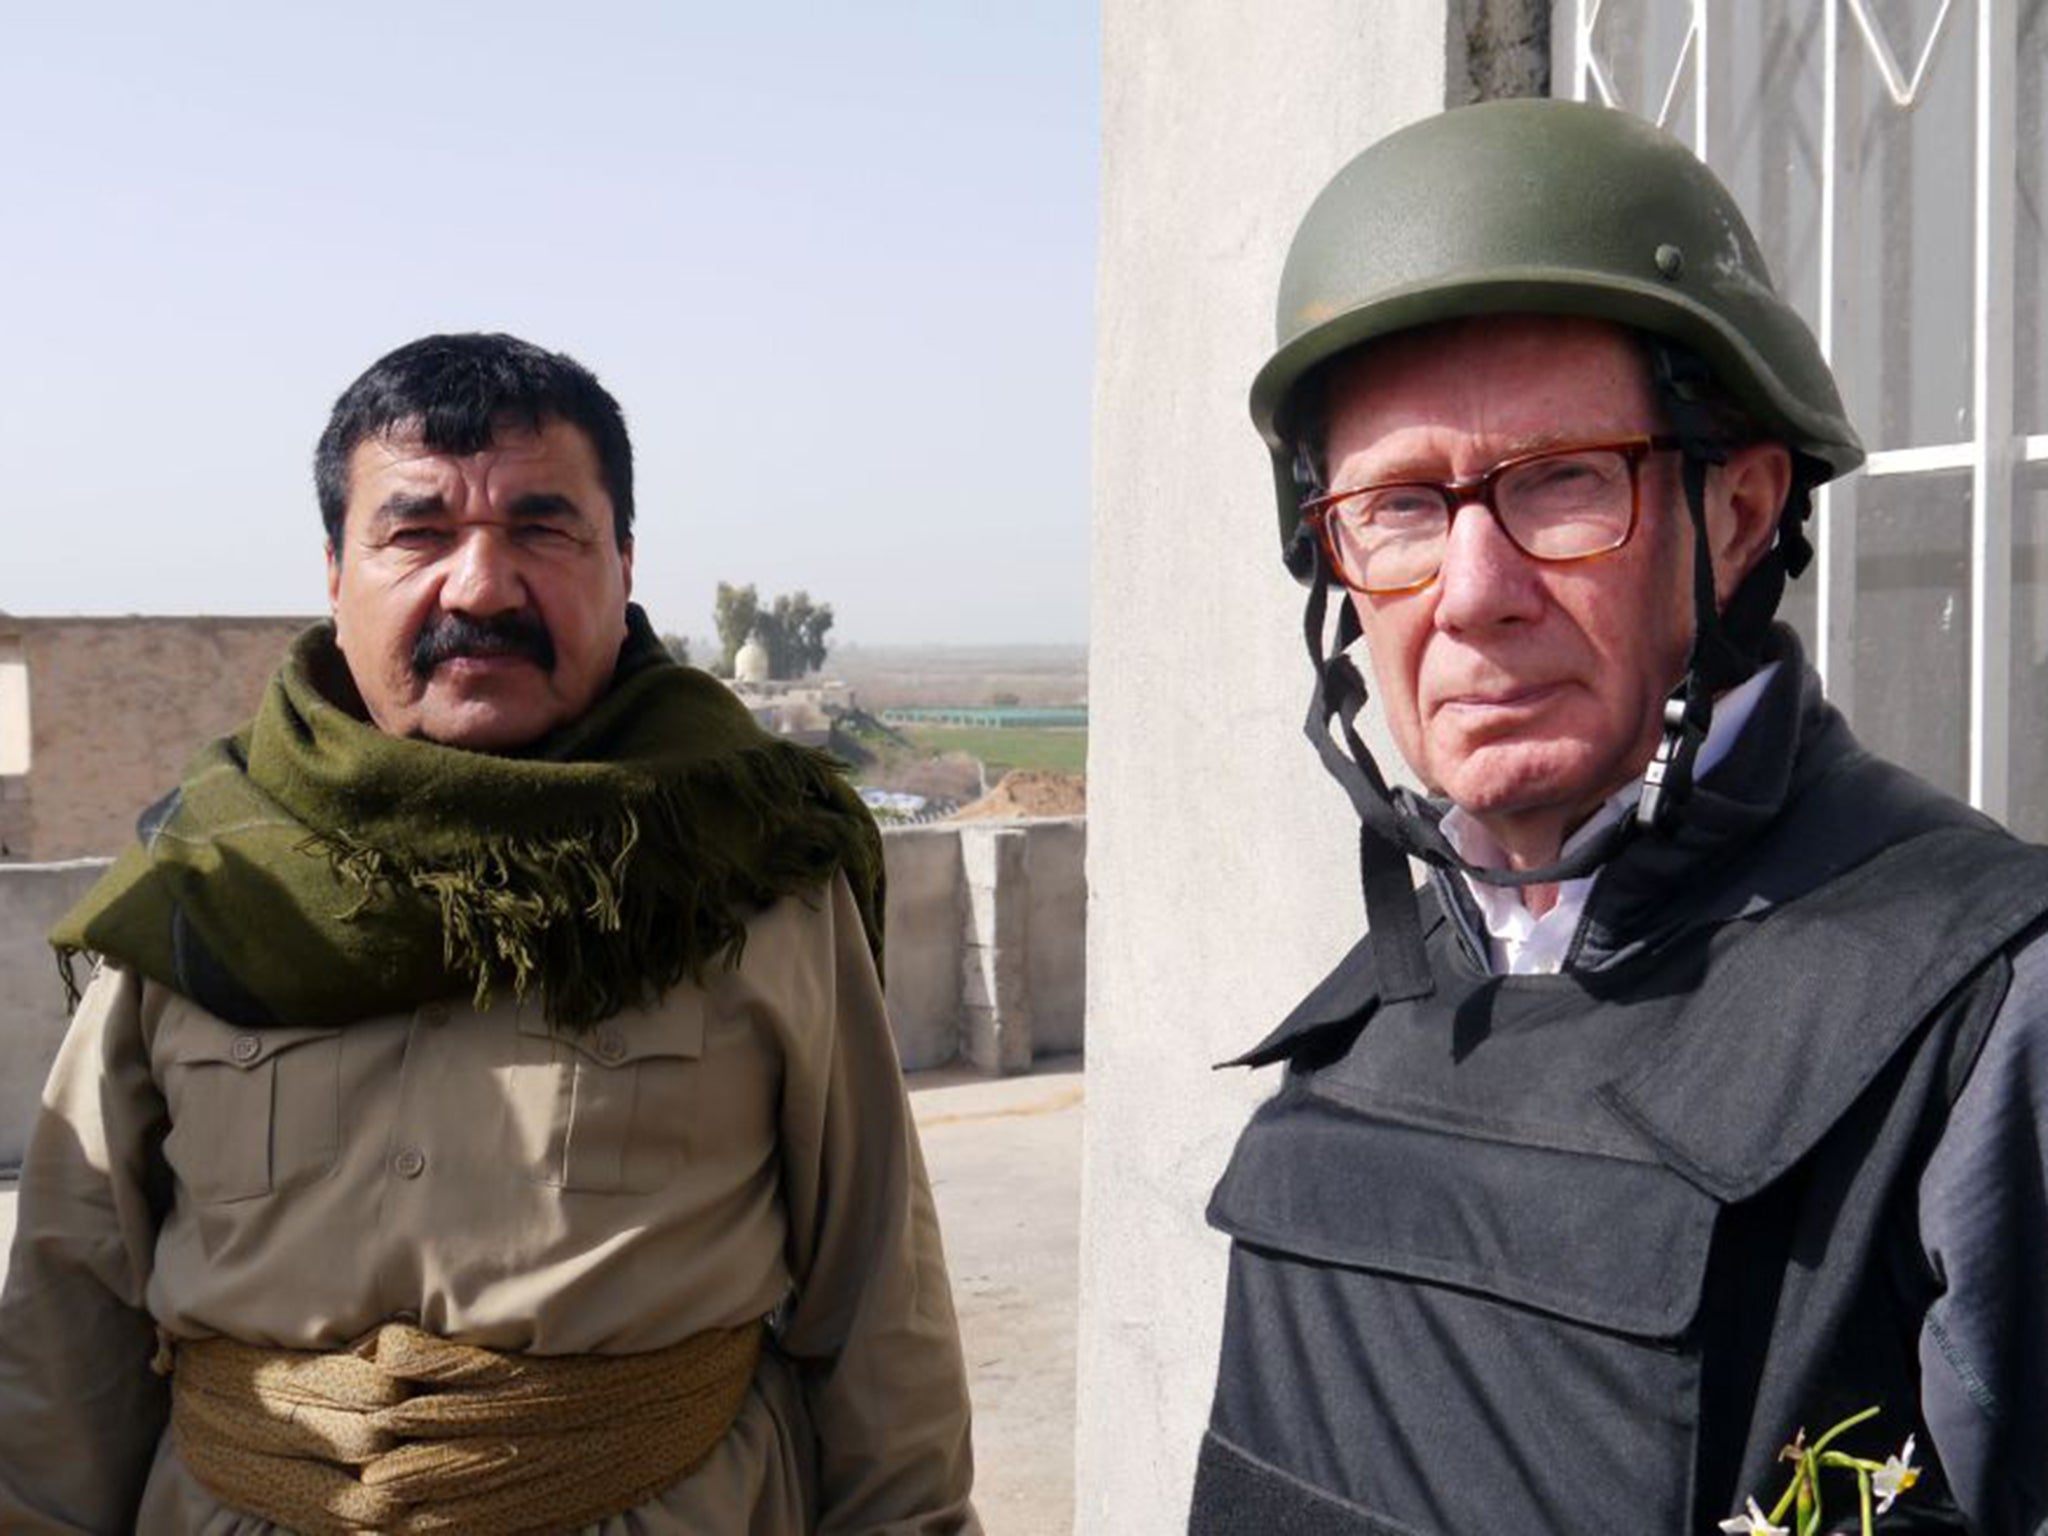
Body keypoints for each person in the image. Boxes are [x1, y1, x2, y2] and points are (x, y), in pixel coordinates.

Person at [1193, 101, 2048, 1536]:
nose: (1474, 591)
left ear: (1738, 512)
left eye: (1563, 481)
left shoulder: (1984, 1016)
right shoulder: (1361, 1032)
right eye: (1400, 509)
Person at [0, 333, 978, 1534]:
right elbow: (70, 1308)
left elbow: (876, 1293)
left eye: (541, 529)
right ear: (333, 571)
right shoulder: (204, 874)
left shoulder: (743, 859)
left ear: (622, 563)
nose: (478, 587)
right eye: (416, 533)